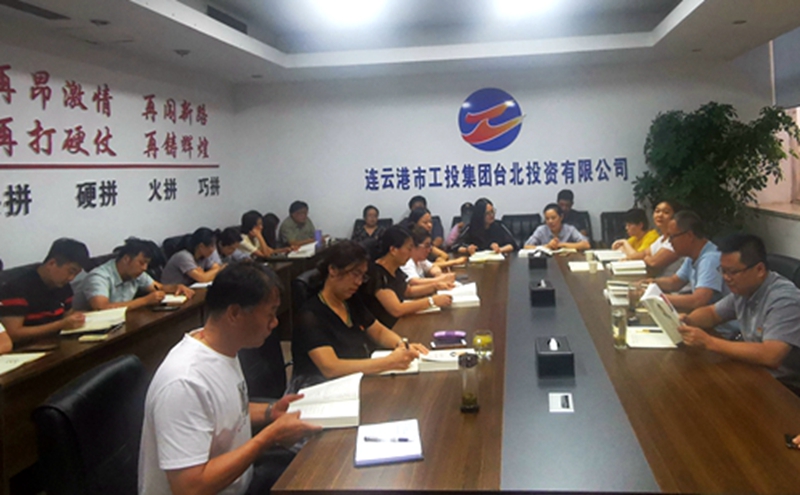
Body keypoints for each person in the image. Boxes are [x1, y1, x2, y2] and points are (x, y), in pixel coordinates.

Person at [138, 263, 322, 495]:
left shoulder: (223, 347)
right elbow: (189, 488)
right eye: (270, 313)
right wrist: (268, 437)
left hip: (240, 482)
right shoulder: (185, 382)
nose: (275, 322)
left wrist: (270, 412)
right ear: (234, 313)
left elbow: (223, 413)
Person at [291, 241, 428, 390]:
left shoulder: (349, 300)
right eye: (355, 274)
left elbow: (378, 331)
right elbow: (331, 368)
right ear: (333, 270)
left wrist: (401, 344)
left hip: (356, 380)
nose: (358, 282)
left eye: (362, 276)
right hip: (322, 389)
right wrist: (389, 362)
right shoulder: (309, 315)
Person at [678, 234, 800, 395]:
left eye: (732, 272)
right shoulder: (744, 290)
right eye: (723, 271)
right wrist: (688, 320)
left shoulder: (784, 299)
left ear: (759, 270)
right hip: (753, 371)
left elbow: (771, 355)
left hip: (784, 388)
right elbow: (712, 313)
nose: (726, 278)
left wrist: (708, 341)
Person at [359, 226, 452, 328]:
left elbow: (408, 291)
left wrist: (435, 286)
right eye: (409, 249)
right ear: (393, 250)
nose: (411, 253)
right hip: (387, 328)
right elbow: (397, 309)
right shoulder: (376, 273)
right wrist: (432, 301)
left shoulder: (395, 269)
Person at [0, 238, 90, 344]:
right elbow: (12, 334)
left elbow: (68, 314)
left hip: (57, 342)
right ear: (52, 263)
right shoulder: (15, 289)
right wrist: (60, 325)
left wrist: (77, 318)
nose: (71, 278)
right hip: (27, 348)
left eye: (76, 274)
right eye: (71, 271)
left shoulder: (63, 286)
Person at [73, 238, 194, 311]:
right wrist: (145, 301)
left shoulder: (136, 273)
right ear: (126, 259)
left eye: (147, 264)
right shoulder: (99, 277)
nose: (144, 268)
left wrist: (176, 287)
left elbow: (159, 287)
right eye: (141, 263)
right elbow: (101, 308)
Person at [648, 211, 730, 313]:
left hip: (721, 322)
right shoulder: (692, 256)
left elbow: (698, 300)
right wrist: (651, 283)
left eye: (672, 237)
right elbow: (674, 282)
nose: (669, 242)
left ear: (689, 236)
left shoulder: (710, 260)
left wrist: (656, 297)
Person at [613, 200, 682, 275]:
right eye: (657, 211)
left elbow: (653, 262)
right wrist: (630, 258)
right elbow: (644, 253)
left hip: (668, 280)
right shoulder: (661, 239)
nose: (660, 215)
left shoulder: (676, 240)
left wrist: (641, 258)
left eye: (666, 212)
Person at [401, 226, 457, 292]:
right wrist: (441, 279)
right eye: (426, 246)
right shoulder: (407, 262)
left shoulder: (420, 260)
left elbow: (433, 267)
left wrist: (438, 274)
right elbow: (414, 282)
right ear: (413, 246)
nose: (429, 250)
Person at [524, 203, 590, 251]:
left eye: (553, 218)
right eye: (547, 219)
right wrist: (547, 246)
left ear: (561, 217)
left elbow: (586, 244)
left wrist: (561, 245)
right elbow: (526, 246)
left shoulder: (570, 229)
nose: (550, 221)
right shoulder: (541, 230)